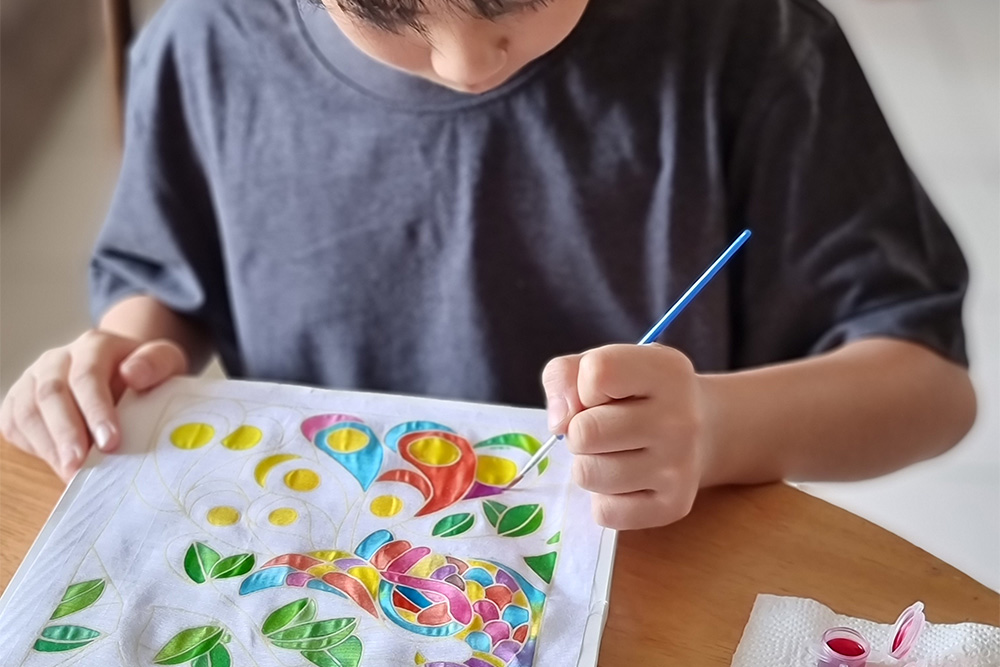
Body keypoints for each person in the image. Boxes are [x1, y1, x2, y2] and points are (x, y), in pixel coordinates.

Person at [0, 0, 976, 530]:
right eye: (385, 10)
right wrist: (116, 354)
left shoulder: (753, 40)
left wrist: (716, 428)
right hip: (333, 555)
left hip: (644, 567)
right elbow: (163, 286)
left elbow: (928, 389)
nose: (468, 61)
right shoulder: (206, 43)